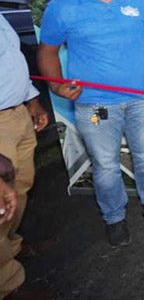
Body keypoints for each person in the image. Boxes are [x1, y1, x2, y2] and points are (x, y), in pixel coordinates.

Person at [38, 0, 144, 247]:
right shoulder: (62, 9)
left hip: (142, 97)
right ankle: (114, 217)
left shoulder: (138, 2)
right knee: (105, 165)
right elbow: (47, 51)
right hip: (94, 103)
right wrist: (56, 84)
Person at [0, 15, 48, 294]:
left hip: (16, 111)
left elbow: (11, 62)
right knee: (2, 203)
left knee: (18, 188)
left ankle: (11, 248)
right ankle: (8, 283)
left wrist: (31, 99)